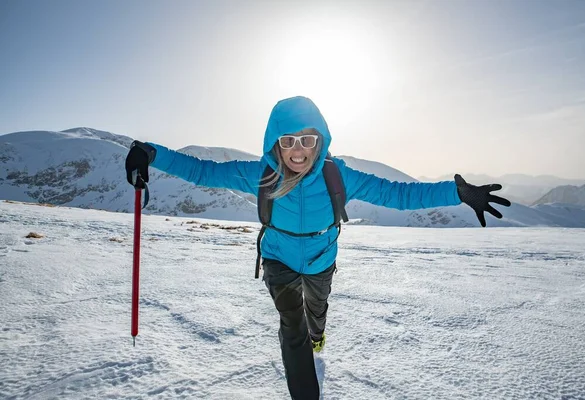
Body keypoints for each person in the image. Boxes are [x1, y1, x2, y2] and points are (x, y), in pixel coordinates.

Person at [125, 96, 510, 399]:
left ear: (319, 141)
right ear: (276, 142)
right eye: (288, 140)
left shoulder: (336, 175)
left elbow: (397, 194)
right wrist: (152, 153)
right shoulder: (263, 175)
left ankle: (318, 331)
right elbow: (202, 170)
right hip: (278, 259)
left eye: (307, 140)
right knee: (292, 324)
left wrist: (455, 191)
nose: (298, 150)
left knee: (317, 309)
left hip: (322, 257)